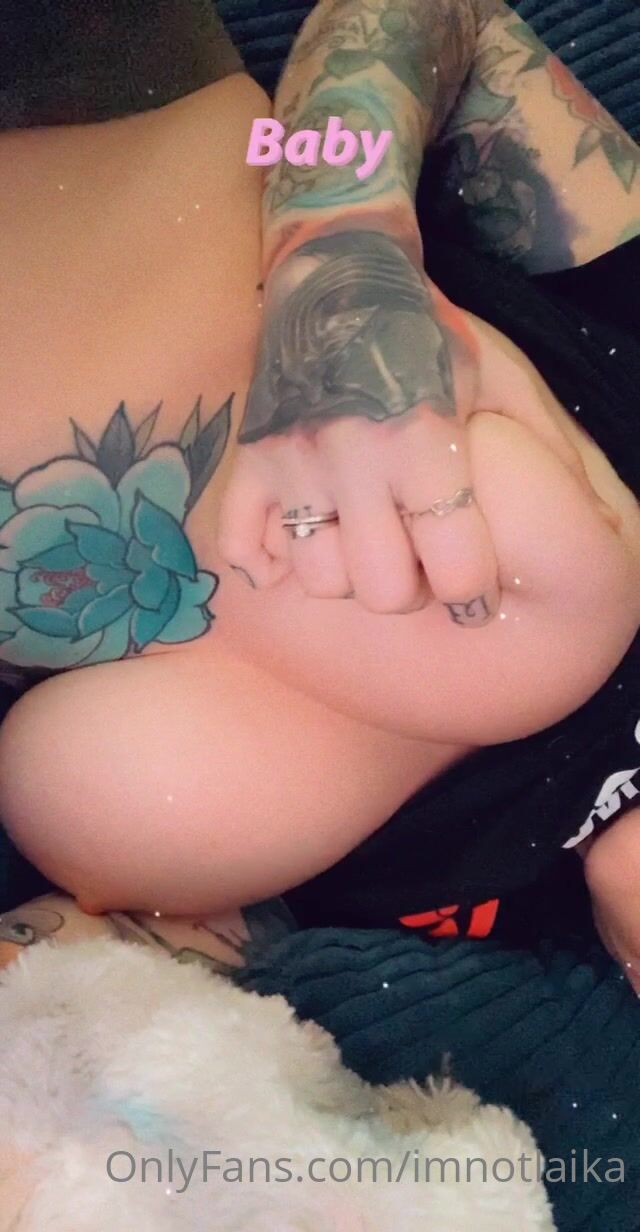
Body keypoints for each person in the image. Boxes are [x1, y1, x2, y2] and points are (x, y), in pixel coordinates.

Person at [0, 0, 638, 987]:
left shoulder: (476, 937)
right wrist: (342, 248)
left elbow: (117, 970)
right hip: (73, 103)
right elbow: (429, 19)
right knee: (550, 628)